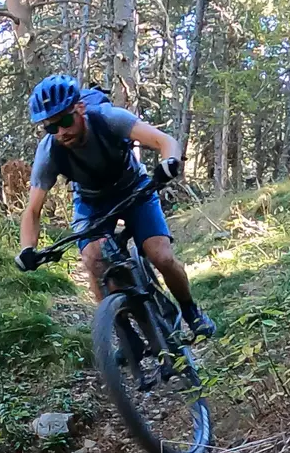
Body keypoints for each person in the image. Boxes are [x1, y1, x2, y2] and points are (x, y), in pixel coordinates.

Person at [16, 74, 217, 339]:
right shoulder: (49, 153)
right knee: (93, 259)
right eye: (51, 127)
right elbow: (32, 210)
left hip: (135, 188)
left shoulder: (109, 118)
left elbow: (164, 141)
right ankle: (123, 335)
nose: (61, 132)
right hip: (91, 201)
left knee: (161, 256)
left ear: (80, 109)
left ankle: (191, 312)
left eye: (65, 120)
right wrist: (27, 249)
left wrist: (169, 162)